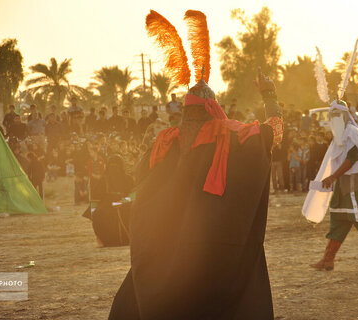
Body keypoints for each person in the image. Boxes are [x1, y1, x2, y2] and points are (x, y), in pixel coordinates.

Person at [109, 12, 282, 318]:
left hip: (163, 255)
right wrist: (268, 94)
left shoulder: (163, 143)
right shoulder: (232, 137)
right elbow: (274, 133)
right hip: (214, 255)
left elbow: (142, 181)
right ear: (214, 108)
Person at [303, 100, 358, 271]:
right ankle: (328, 260)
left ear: (344, 115)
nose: (333, 118)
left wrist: (333, 177)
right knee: (338, 221)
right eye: (331, 114)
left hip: (354, 185)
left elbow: (351, 158)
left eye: (337, 114)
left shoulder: (352, 133)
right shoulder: (339, 135)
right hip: (342, 185)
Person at [90, 155, 135, 247]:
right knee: (99, 214)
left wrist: (123, 201)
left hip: (125, 204)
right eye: (112, 165)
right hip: (106, 206)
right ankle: (103, 239)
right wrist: (93, 213)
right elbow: (95, 199)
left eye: (117, 166)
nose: (114, 168)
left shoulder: (128, 179)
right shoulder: (103, 180)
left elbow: (134, 194)